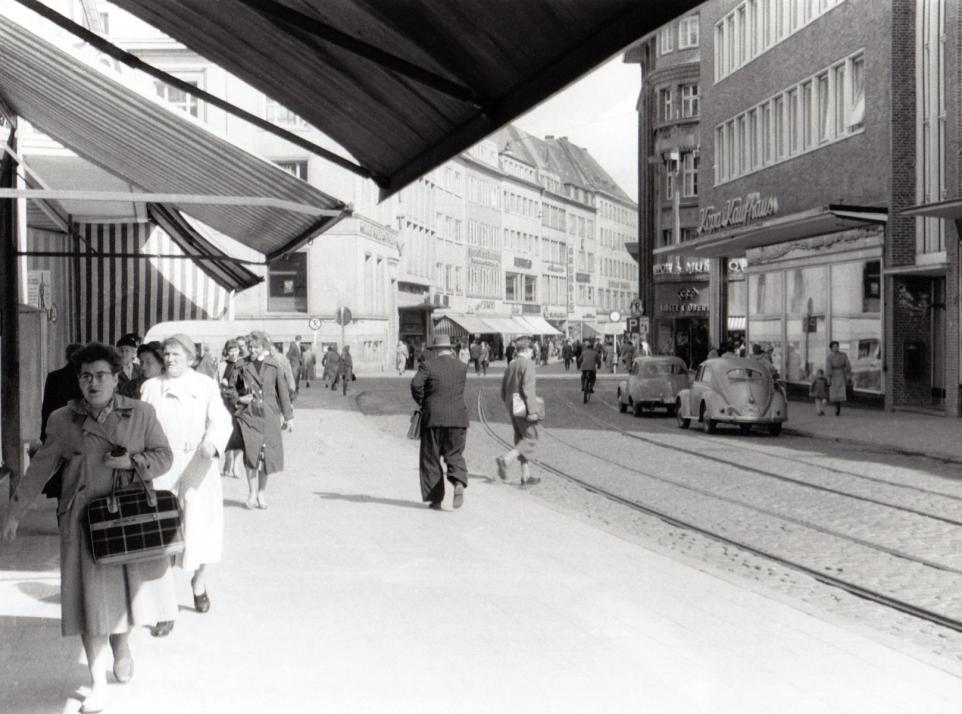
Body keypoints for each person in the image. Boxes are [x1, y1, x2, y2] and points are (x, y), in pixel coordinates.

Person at [2, 342, 176, 713]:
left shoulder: (141, 414)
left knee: (123, 599)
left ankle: (122, 644)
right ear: (78, 381)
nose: (92, 383)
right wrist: (15, 511)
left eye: (100, 376)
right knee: (87, 604)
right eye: (85, 377)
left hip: (124, 519)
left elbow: (164, 456)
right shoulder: (63, 420)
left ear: (117, 378)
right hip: (81, 522)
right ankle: (98, 683)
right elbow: (41, 467)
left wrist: (133, 462)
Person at [140, 334, 233, 627]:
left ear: (190, 358)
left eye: (176, 354)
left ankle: (199, 583)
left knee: (202, 532)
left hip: (198, 465)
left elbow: (221, 420)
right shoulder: (151, 387)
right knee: (163, 536)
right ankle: (164, 607)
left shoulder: (205, 385)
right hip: (162, 466)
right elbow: (140, 424)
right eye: (166, 354)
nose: (169, 359)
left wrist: (213, 444)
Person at [234, 331, 294, 509]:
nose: (252, 350)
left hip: (269, 414)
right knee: (251, 455)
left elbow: (283, 392)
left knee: (266, 456)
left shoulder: (274, 366)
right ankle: (251, 493)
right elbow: (230, 389)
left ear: (264, 348)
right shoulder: (241, 365)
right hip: (249, 415)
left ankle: (261, 493)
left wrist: (289, 416)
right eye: (250, 346)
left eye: (256, 347)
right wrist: (239, 399)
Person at [410, 335, 469, 510]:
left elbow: (415, 385)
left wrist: (424, 401)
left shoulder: (428, 366)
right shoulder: (462, 367)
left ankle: (436, 500)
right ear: (450, 349)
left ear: (435, 350)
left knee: (431, 458)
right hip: (458, 419)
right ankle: (458, 482)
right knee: (454, 454)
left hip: (433, 419)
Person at [38, 343, 84, 501]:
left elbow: (46, 409)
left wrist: (44, 434)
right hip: (80, 434)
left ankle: (62, 514)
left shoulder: (54, 377)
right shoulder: (85, 377)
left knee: (61, 477)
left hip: (59, 433)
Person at [496, 337, 542, 485]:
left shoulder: (511, 364)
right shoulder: (528, 364)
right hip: (522, 404)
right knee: (531, 437)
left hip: (512, 404)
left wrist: (509, 403)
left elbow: (503, 390)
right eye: (532, 351)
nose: (532, 353)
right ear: (527, 350)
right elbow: (528, 388)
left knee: (520, 437)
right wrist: (533, 410)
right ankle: (506, 459)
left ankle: (525, 475)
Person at [218, 339, 245, 478]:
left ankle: (236, 465)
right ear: (226, 352)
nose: (234, 353)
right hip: (225, 404)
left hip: (239, 403)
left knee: (239, 434)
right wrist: (221, 384)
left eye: (236, 350)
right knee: (227, 433)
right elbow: (215, 383)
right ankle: (228, 461)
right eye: (231, 350)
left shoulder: (243, 364)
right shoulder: (222, 365)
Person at [826, 341, 852, 416]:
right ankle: (836, 407)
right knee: (834, 392)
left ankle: (839, 406)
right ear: (831, 348)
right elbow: (828, 368)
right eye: (834, 346)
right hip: (833, 375)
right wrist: (828, 378)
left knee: (841, 391)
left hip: (841, 374)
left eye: (837, 346)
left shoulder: (843, 355)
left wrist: (848, 374)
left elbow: (847, 365)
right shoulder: (829, 357)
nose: (836, 348)